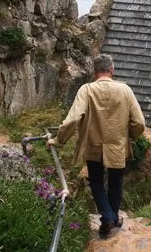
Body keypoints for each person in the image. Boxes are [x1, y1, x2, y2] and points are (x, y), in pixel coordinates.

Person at [47, 54, 145, 238]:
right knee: (116, 182)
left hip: (93, 145)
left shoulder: (87, 90)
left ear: (95, 71)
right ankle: (112, 218)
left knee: (96, 182)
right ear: (112, 70)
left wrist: (59, 140)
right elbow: (139, 123)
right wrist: (130, 136)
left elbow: (73, 118)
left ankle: (108, 217)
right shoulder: (125, 90)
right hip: (117, 146)